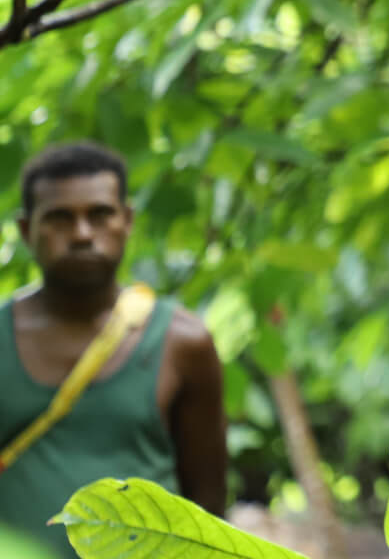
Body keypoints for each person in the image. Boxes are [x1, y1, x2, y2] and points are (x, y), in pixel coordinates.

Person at [2, 141, 228, 558]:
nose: (83, 234)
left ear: (126, 221)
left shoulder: (183, 342)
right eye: (59, 218)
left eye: (100, 214)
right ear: (25, 229)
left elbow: (207, 509)